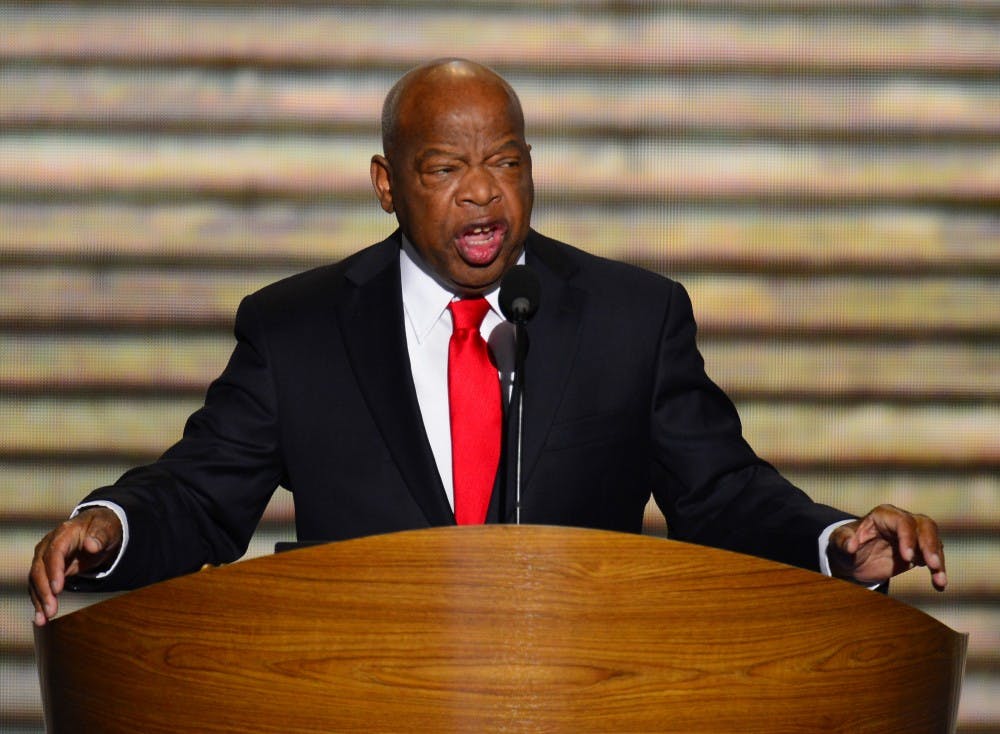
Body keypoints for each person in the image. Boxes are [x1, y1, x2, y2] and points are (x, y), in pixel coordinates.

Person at [29, 58, 947, 627]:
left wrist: (836, 541)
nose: (482, 193)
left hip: (580, 700)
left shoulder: (633, 314)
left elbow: (722, 495)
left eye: (506, 161)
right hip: (357, 698)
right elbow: (200, 494)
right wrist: (108, 527)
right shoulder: (296, 328)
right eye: (447, 167)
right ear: (388, 185)